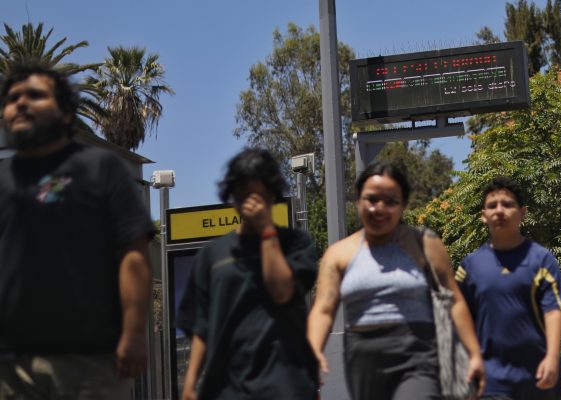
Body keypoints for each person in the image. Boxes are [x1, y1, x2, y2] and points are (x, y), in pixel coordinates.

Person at [0, 63, 155, 399]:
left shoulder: (100, 168)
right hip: (10, 368)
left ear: (66, 112)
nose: (20, 104)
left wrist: (134, 333)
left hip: (89, 362)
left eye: (35, 95)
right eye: (12, 98)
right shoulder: (2, 179)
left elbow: (134, 254)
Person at [307, 161, 484, 400]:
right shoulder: (339, 254)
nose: (379, 208)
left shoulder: (426, 245)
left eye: (390, 201)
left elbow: (455, 301)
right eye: (371, 199)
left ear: (404, 206)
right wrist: (313, 352)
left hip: (418, 353)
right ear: (358, 200)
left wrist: (474, 353)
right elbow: (324, 309)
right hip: (362, 358)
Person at [176, 148, 319, 400]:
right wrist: (190, 383)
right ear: (232, 197)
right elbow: (201, 325)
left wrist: (266, 230)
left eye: (260, 196)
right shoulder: (212, 256)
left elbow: (282, 291)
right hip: (227, 388)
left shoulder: (297, 244)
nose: (252, 204)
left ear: (273, 196)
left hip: (286, 384)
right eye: (243, 196)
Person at [456, 176, 561, 400]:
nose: (499, 210)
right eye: (492, 205)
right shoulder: (469, 267)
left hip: (539, 375)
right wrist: (470, 359)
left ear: (523, 212)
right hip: (491, 382)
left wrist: (552, 357)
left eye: (508, 204)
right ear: (483, 216)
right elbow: (457, 313)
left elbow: (554, 311)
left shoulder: (542, 260)